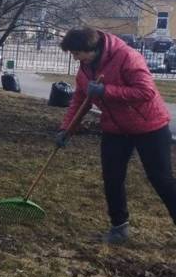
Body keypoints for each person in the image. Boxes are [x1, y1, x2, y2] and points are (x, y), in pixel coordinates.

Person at [57, 27, 176, 244]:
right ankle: (119, 227)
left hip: (149, 125)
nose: (75, 58)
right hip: (115, 128)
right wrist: (66, 129)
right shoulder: (85, 68)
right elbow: (79, 100)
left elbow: (146, 91)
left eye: (76, 53)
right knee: (112, 176)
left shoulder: (127, 57)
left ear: (91, 49)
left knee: (161, 178)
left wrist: (106, 91)